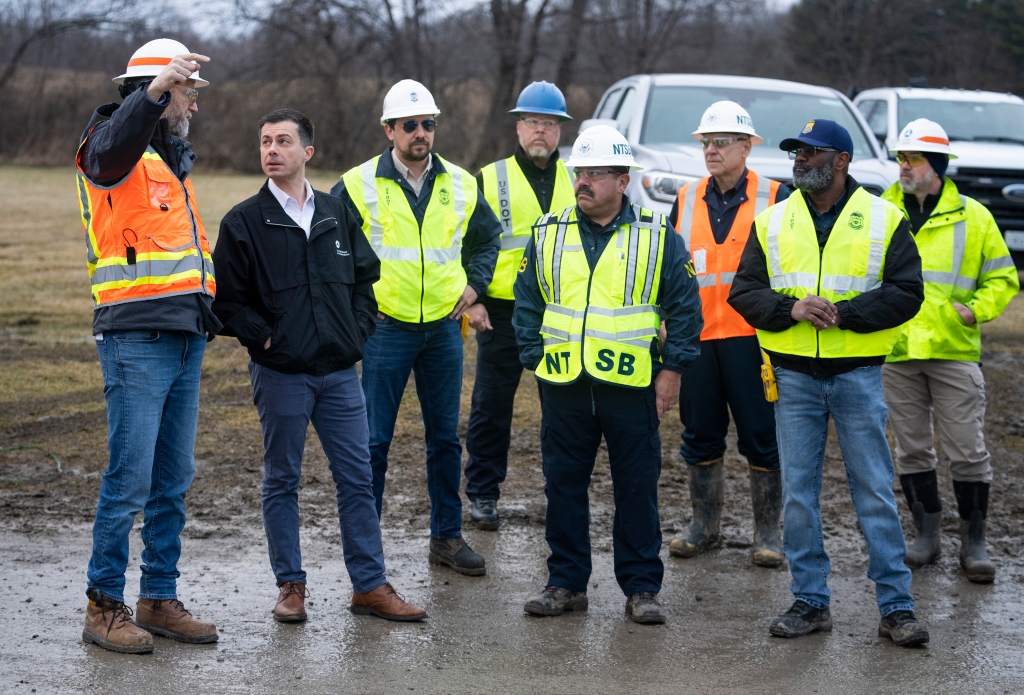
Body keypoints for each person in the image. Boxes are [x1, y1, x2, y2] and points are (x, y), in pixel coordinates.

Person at [212, 109, 427, 623]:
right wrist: (265, 337)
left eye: (283, 141)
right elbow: (225, 300)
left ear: (307, 153)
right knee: (281, 479)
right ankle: (291, 587)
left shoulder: (335, 212)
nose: (271, 150)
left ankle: (370, 586)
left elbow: (364, 279)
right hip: (280, 373)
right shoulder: (243, 221)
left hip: (338, 374)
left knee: (357, 476)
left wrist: (356, 329)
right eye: (264, 141)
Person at [729, 119, 930, 647]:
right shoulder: (772, 221)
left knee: (874, 495)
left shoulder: (886, 218)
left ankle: (896, 608)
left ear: (840, 161)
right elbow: (743, 291)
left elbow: (908, 292)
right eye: (796, 152)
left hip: (858, 378)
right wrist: (789, 308)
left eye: (811, 153)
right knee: (798, 495)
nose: (799, 160)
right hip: (792, 379)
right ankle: (811, 601)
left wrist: (846, 314)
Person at [514, 125, 703, 625]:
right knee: (563, 486)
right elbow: (528, 301)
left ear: (623, 180)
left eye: (596, 173)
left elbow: (685, 309)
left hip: (631, 386)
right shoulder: (548, 231)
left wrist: (673, 371)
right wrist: (535, 355)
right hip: (564, 384)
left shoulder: (658, 236)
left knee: (637, 488)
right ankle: (565, 583)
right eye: (580, 172)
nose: (584, 181)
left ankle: (642, 588)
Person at [76, 38, 219, 653]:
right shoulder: (110, 143)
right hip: (135, 337)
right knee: (129, 477)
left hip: (184, 335)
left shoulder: (169, 162)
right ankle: (103, 604)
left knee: (172, 478)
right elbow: (109, 155)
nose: (192, 102)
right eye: (185, 91)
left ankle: (158, 596)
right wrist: (158, 88)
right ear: (154, 93)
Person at [331, 80, 501, 576]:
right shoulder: (358, 183)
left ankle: (446, 538)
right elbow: (330, 249)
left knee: (445, 439)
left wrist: (476, 288)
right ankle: (367, 548)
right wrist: (358, 308)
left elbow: (488, 239)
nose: (421, 133)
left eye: (428, 124)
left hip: (444, 330)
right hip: (385, 330)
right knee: (373, 441)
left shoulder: (462, 183)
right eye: (410, 125)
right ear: (389, 130)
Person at [880, 119, 1019, 582]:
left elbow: (1003, 277)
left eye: (912, 159)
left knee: (968, 450)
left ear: (935, 166)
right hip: (897, 351)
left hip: (953, 349)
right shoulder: (881, 209)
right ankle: (927, 537)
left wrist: (974, 311)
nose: (904, 167)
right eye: (900, 158)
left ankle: (974, 542)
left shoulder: (974, 217)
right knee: (912, 451)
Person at [666, 101, 790, 567]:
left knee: (762, 435)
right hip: (698, 341)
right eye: (705, 142)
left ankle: (769, 532)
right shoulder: (685, 197)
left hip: (754, 341)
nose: (711, 150)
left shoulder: (777, 197)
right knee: (699, 434)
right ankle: (705, 526)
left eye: (721, 142)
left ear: (746, 147)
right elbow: (675, 272)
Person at [465, 81, 577, 530]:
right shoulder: (489, 177)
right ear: (518, 128)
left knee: (563, 409)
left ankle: (562, 492)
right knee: (492, 406)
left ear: (560, 131)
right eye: (532, 122)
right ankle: (483, 493)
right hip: (501, 311)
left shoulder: (577, 178)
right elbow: (464, 244)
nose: (541, 132)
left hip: (561, 312)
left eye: (549, 124)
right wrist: (471, 300)